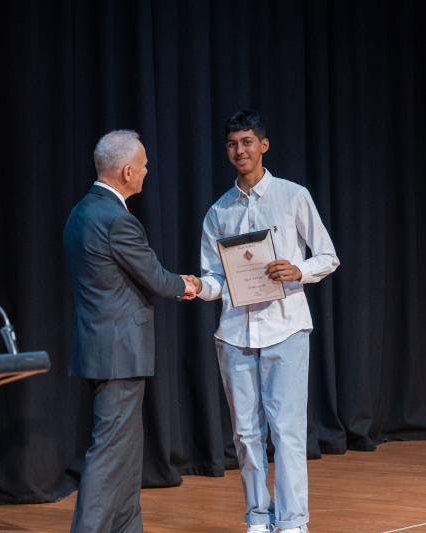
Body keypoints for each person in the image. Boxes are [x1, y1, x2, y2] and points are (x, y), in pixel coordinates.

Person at [186, 110, 339, 533]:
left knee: (287, 432)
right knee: (245, 433)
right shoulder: (218, 211)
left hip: (286, 327)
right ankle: (257, 517)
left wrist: (298, 270)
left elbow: (328, 256)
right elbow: (216, 279)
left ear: (263, 145)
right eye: (232, 144)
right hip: (235, 333)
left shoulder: (292, 196)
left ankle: (291, 522)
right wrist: (198, 286)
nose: (240, 150)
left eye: (247, 142)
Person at [63, 130, 196, 533]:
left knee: (125, 450)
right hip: (118, 351)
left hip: (99, 347)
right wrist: (187, 285)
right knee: (110, 453)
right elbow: (154, 277)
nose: (146, 171)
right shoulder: (118, 220)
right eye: (143, 165)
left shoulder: (80, 211)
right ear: (126, 172)